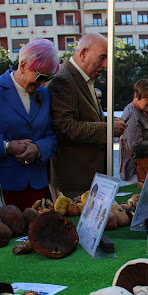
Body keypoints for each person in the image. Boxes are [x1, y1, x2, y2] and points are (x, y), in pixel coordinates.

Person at [0, 38, 59, 211]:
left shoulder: (44, 94)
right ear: (23, 65)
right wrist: (7, 146)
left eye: (48, 78)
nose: (43, 83)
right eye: (40, 77)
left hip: (36, 186)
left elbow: (51, 136)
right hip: (1, 188)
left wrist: (38, 149)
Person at [46, 33, 126, 197]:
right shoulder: (63, 80)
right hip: (74, 181)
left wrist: (106, 121)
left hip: (89, 178)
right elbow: (65, 127)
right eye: (102, 57)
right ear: (83, 53)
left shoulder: (83, 79)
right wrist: (108, 129)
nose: (106, 65)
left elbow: (84, 117)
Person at [119, 79, 148, 182]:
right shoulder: (132, 115)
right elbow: (135, 146)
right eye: (147, 98)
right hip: (136, 173)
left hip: (143, 170)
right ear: (136, 95)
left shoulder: (140, 111)